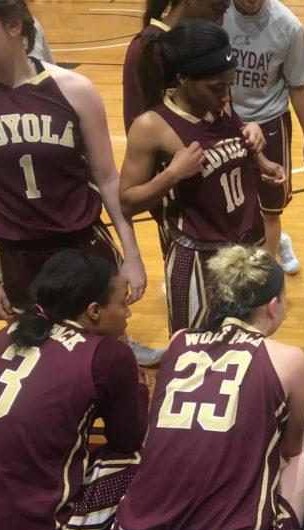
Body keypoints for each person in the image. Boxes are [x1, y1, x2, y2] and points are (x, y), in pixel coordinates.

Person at [112, 245, 304, 530]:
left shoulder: (178, 341)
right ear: (272, 306)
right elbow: (291, 449)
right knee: (301, 459)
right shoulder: (290, 359)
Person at [0, 250, 147, 530]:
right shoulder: (109, 356)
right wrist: (139, 385)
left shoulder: (3, 335)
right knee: (136, 462)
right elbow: (129, 440)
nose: (128, 313)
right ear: (94, 311)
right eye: (123, 302)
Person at [0, 0, 146, 324]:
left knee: (102, 353)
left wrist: (133, 255)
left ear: (14, 24)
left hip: (82, 247)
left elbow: (107, 177)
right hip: (12, 256)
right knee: (41, 363)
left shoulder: (74, 89)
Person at [119, 19, 284, 332]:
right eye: (217, 87)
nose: (225, 94)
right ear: (182, 78)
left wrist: (258, 154)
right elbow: (126, 201)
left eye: (228, 84)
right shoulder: (151, 126)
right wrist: (171, 175)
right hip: (198, 259)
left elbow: (230, 143)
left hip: (244, 247)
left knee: (247, 347)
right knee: (192, 355)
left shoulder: (218, 103)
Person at [224, 0, 304, 273]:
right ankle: (273, 244)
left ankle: (266, 276)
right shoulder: (217, 14)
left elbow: (298, 87)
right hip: (226, 120)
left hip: (270, 122)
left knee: (271, 208)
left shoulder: (288, 26)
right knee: (232, 203)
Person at [122, 0, 230, 133]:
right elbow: (137, 132)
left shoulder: (207, 42)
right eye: (217, 8)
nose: (220, 21)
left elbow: (223, 112)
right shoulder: (148, 49)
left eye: (224, 11)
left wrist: (243, 129)